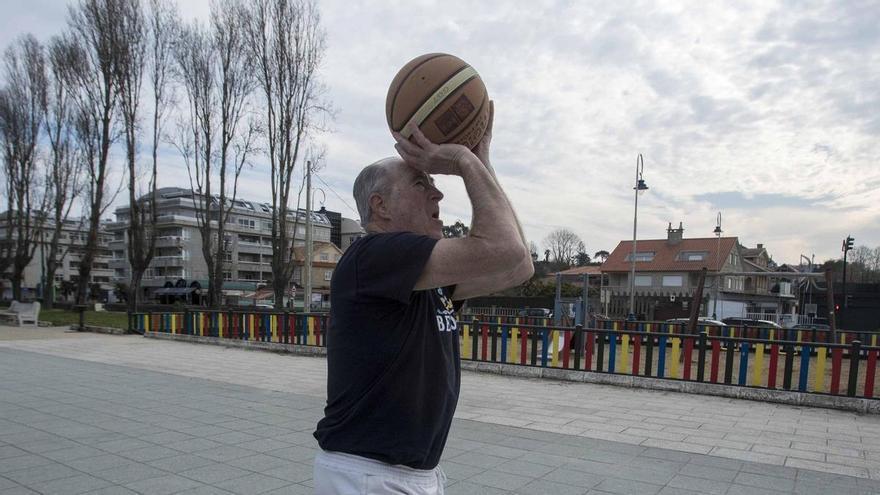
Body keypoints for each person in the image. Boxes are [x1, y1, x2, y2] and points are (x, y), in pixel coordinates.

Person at [312, 102, 533, 495]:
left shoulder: (424, 279)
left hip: (405, 474)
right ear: (380, 207)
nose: (438, 192)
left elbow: (520, 266)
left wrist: (482, 164)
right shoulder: (373, 256)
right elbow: (505, 248)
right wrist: (464, 160)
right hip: (368, 474)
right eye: (420, 183)